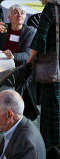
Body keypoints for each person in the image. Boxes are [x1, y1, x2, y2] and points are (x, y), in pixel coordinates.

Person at [27, 0, 60, 148]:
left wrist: (30, 60)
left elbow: (40, 38)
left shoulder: (51, 8)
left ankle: (51, 152)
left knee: (53, 111)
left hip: (54, 69)